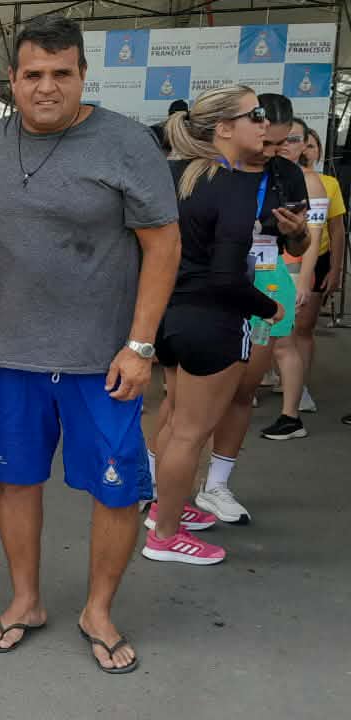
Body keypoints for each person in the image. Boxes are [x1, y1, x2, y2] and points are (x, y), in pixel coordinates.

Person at [0, 15, 181, 672]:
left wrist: (141, 346)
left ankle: (98, 611)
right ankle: (25, 601)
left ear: (83, 75)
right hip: (6, 354)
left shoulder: (126, 143)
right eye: (33, 74)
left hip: (102, 360)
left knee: (116, 489)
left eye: (61, 73)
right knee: (16, 481)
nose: (46, 87)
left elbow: (163, 245)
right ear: (12, 80)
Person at [144, 86, 280, 567]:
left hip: (166, 318)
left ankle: (165, 510)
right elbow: (227, 278)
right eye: (255, 115)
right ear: (223, 127)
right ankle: (165, 534)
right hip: (211, 322)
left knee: (176, 420)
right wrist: (268, 307)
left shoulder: (169, 175)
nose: (265, 124)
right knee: (189, 432)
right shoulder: (233, 186)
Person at [165, 94, 313, 525]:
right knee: (183, 411)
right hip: (212, 297)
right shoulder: (201, 177)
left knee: (238, 393)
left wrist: (297, 235)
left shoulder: (285, 175)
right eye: (262, 130)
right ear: (227, 128)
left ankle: (210, 488)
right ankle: (165, 504)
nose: (272, 146)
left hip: (257, 283)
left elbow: (299, 242)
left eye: (281, 142)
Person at [262, 115, 327, 433]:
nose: (284, 146)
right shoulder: (273, 174)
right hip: (265, 266)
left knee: (283, 343)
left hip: (290, 269)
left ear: (304, 144)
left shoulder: (309, 181)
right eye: (279, 140)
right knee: (263, 341)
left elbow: (313, 235)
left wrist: (303, 279)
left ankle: (292, 414)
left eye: (292, 140)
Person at [285, 122, 344, 415]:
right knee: (272, 336)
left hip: (310, 262)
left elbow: (334, 230)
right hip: (273, 265)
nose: (300, 148)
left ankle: (298, 393)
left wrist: (334, 270)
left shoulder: (322, 183)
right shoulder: (270, 177)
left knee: (300, 330)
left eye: (306, 143)